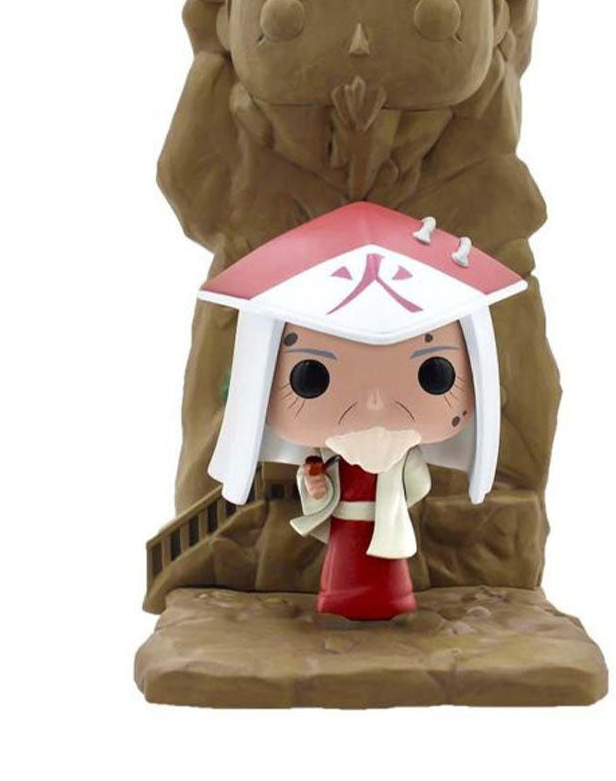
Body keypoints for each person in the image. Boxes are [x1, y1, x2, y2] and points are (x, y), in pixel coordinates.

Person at [196, 201, 526, 619]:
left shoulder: (399, 455)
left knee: (385, 578)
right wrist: (317, 484)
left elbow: (418, 483)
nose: (373, 403)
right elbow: (322, 485)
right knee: (344, 573)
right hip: (347, 528)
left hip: (384, 525)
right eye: (311, 377)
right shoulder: (331, 455)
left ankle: (390, 603)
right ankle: (341, 601)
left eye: (434, 373)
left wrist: (395, 484)